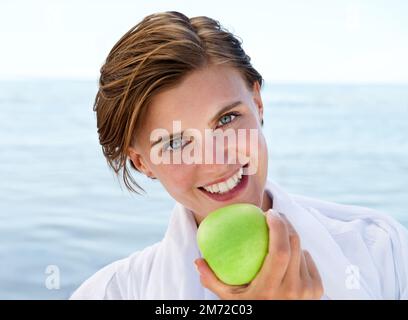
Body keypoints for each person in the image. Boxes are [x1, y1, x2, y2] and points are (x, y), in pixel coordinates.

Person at [70, 11, 408, 300]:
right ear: (142, 162)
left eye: (227, 119)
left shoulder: (380, 251)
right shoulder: (110, 293)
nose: (216, 161)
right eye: (174, 143)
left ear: (257, 104)